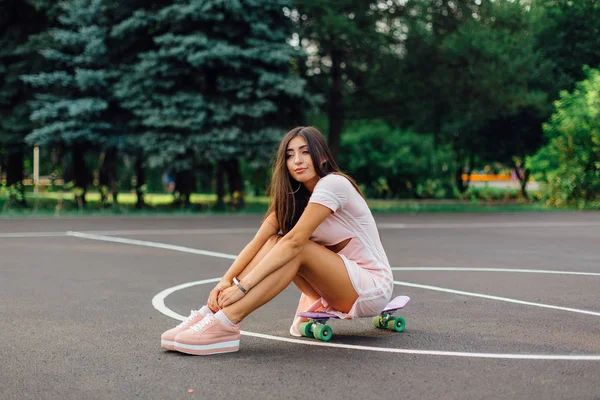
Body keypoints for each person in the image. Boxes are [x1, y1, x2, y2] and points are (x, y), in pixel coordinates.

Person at [160, 126, 394, 355]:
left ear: (321, 156)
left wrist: (242, 288)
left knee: (296, 246)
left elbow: (294, 243)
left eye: (305, 152)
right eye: (290, 155)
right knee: (274, 241)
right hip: (333, 287)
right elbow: (258, 243)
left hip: (371, 288)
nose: (297, 161)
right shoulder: (294, 198)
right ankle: (211, 313)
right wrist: (225, 282)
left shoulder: (334, 184)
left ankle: (227, 322)